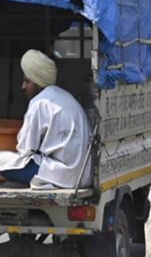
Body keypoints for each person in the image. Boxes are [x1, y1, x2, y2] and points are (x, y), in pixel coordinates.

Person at [0, 50, 92, 188]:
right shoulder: (64, 96)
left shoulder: (39, 103)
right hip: (83, 175)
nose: (23, 87)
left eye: (27, 81)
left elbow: (25, 150)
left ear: (38, 81)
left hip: (64, 175)